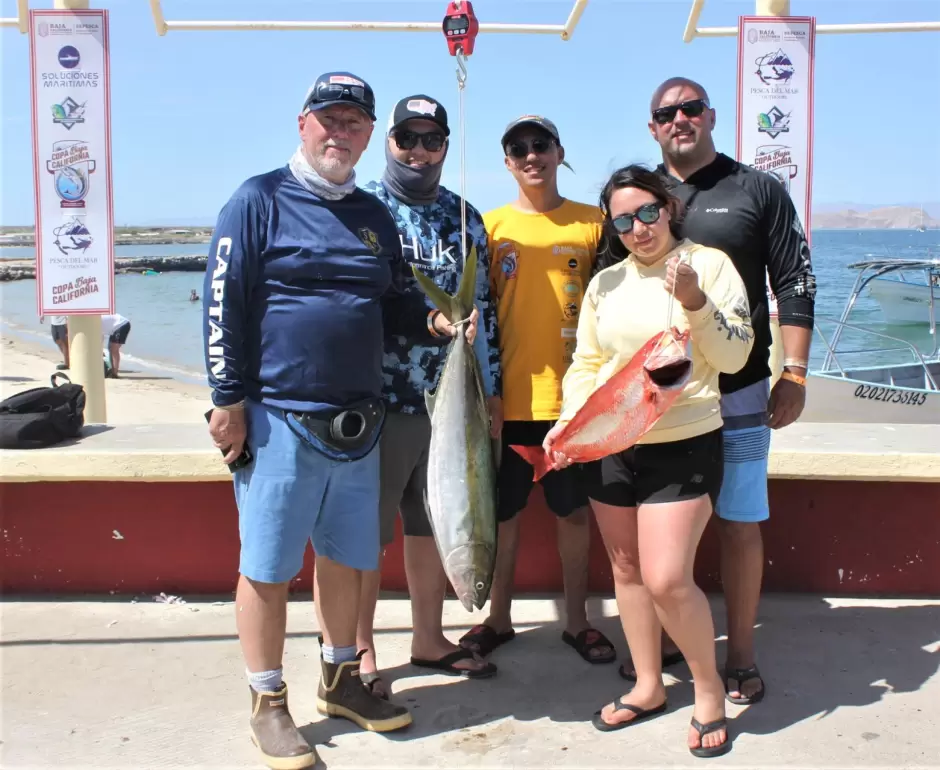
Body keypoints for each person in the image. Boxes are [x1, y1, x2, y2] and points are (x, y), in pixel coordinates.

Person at [202, 71, 476, 770]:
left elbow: (390, 307)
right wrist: (227, 398)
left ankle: (342, 678)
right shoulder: (257, 200)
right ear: (303, 123)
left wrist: (435, 319)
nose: (340, 131)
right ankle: (267, 700)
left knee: (350, 560)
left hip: (361, 421)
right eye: (330, 119)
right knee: (266, 567)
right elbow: (220, 304)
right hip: (277, 418)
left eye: (354, 121)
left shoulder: (372, 215)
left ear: (365, 135)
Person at [545, 164, 753, 756]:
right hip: (612, 444)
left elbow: (734, 357)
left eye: (648, 213)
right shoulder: (605, 282)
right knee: (628, 572)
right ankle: (647, 684)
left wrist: (693, 301)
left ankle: (708, 689)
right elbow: (587, 363)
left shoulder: (709, 265)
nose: (639, 228)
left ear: (669, 208)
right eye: (624, 219)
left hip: (684, 442)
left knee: (666, 578)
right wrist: (569, 426)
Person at [632, 77, 816, 705]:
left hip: (738, 391)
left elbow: (794, 281)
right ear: (652, 127)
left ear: (710, 116)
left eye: (690, 109)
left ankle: (739, 654)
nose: (679, 119)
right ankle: (655, 651)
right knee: (654, 531)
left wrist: (793, 373)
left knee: (739, 522)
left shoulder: (757, 189)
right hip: (661, 400)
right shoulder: (643, 199)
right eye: (666, 113)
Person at [355, 94, 501, 695]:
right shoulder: (362, 211)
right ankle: (356, 647)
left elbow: (484, 311)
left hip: (453, 404)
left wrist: (489, 389)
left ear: (445, 146)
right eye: (406, 139)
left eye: (431, 140)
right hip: (381, 398)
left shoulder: (466, 218)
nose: (418, 151)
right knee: (365, 529)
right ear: (387, 140)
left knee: (430, 524)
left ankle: (427, 637)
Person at [459, 115, 617, 666]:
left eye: (540, 145)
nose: (531, 155)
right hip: (506, 404)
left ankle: (577, 621)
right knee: (501, 517)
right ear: (506, 161)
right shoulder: (488, 227)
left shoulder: (594, 223)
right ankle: (496, 619)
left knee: (573, 516)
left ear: (558, 151)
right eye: (518, 148)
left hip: (575, 403)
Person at [100, 313, 131, 378]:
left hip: (121, 324)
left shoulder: (95, 321)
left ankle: (114, 373)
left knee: (113, 350)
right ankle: (113, 370)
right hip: (116, 326)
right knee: (110, 349)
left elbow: (100, 337)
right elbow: (101, 337)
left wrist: (100, 350)